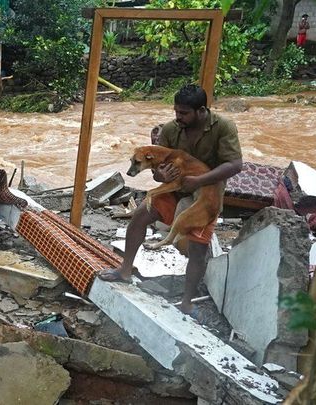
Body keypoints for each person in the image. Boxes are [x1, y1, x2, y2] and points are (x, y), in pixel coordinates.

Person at [98, 84, 243, 319]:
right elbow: (157, 169)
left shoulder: (223, 127)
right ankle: (124, 270)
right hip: (174, 190)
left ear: (201, 111)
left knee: (198, 248)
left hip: (206, 193)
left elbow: (235, 165)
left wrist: (198, 181)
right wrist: (160, 176)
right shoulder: (170, 129)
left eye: (184, 113)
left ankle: (186, 302)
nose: (178, 117)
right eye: (176, 112)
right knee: (139, 217)